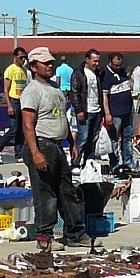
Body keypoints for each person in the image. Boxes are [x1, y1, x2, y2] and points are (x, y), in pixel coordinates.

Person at [21, 47, 97, 250]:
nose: (50, 65)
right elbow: (28, 124)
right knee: (45, 194)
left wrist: (71, 143)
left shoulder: (55, 89)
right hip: (41, 144)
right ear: (34, 66)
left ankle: (75, 233)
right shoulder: (32, 90)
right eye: (45, 63)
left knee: (67, 191)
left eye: (50, 62)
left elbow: (62, 117)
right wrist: (36, 152)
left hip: (57, 146)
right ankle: (44, 239)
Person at [0, 47, 30, 165]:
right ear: (15, 57)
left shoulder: (24, 71)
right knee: (13, 130)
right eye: (20, 57)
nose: (23, 59)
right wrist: (9, 105)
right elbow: (6, 88)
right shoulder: (10, 70)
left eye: (24, 57)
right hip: (14, 101)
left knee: (20, 130)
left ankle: (18, 154)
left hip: (23, 101)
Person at [70, 49, 104, 168]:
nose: (97, 64)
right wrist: (79, 110)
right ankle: (75, 164)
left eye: (98, 61)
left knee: (93, 139)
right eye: (94, 61)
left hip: (97, 110)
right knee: (82, 138)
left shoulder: (97, 73)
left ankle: (89, 162)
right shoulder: (79, 73)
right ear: (87, 60)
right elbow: (74, 93)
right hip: (85, 111)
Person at [101, 53, 134, 169]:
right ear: (110, 62)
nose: (118, 68)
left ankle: (128, 160)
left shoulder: (123, 72)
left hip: (128, 111)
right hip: (115, 113)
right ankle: (114, 163)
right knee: (114, 139)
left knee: (128, 137)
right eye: (116, 65)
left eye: (120, 65)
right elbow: (104, 96)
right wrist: (107, 113)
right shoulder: (106, 76)